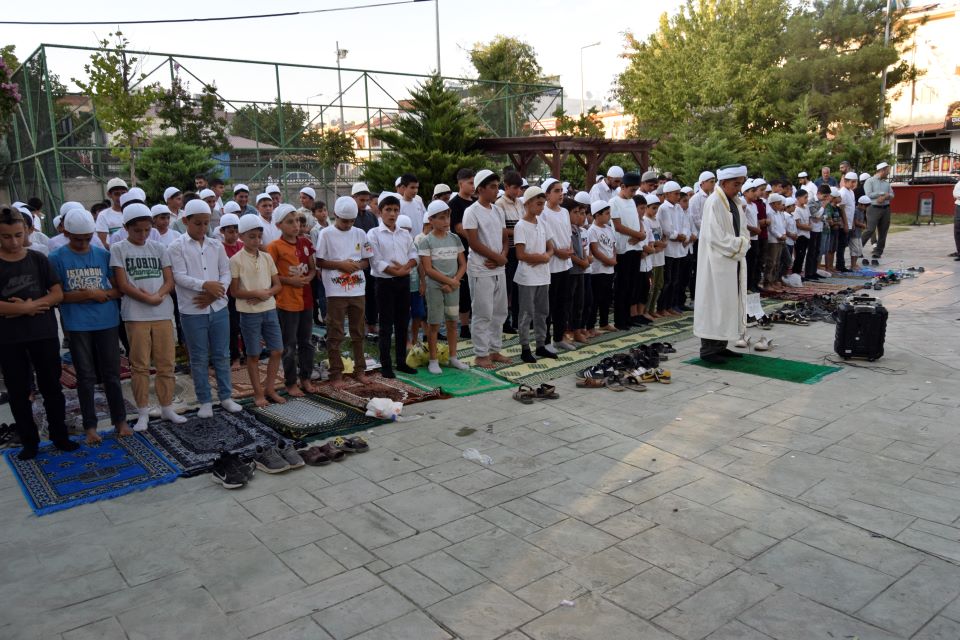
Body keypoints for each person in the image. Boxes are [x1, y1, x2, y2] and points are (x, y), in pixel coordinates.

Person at [0, 205, 77, 460]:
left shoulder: (38, 259)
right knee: (19, 390)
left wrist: (22, 307)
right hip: (10, 338)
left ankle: (59, 435)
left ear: (26, 232)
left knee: (51, 387)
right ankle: (29, 441)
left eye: (18, 235)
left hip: (43, 333)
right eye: (6, 236)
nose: (14, 241)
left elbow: (57, 293)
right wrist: (25, 308)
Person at [49, 209, 131, 444]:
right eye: (78, 239)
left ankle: (120, 421)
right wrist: (85, 294)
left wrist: (101, 294)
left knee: (112, 374)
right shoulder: (55, 258)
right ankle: (90, 427)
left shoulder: (102, 254)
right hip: (77, 324)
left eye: (87, 238)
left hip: (107, 321)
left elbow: (118, 289)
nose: (84, 244)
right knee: (85, 376)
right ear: (66, 233)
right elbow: (56, 296)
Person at [110, 203, 185, 430]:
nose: (143, 235)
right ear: (126, 228)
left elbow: (169, 281)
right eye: (137, 231)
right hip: (135, 315)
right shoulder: (119, 249)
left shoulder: (159, 248)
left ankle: (166, 407)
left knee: (166, 363)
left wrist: (157, 296)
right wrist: (147, 299)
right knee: (140, 365)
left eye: (146, 230)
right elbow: (122, 284)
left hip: (162, 312)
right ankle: (143, 411)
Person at [168, 199, 244, 418]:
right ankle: (205, 401)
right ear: (185, 221)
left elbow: (225, 272)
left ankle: (226, 397)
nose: (203, 228)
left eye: (206, 223)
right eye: (198, 224)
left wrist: (215, 293)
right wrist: (204, 286)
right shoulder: (176, 247)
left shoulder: (215, 245)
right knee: (199, 358)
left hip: (218, 307)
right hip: (192, 310)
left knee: (222, 354)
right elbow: (179, 276)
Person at [694, 165, 750, 363]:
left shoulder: (733, 201)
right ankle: (708, 350)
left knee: (727, 303)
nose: (739, 188)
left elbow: (742, 229)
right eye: (736, 184)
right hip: (716, 262)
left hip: (731, 260)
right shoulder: (713, 202)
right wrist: (739, 245)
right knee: (713, 304)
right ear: (724, 183)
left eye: (741, 184)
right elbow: (714, 236)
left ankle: (721, 345)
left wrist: (742, 242)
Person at [316, 196, 373, 387]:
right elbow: (320, 261)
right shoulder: (326, 234)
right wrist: (340, 264)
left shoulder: (360, 233)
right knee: (335, 332)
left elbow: (367, 260)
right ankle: (336, 373)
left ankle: (360, 370)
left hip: (357, 289)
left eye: (351, 221)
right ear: (335, 215)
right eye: (344, 221)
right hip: (335, 292)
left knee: (358, 331)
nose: (348, 224)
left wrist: (356, 266)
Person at [229, 215, 285, 408]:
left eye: (258, 236)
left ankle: (270, 388)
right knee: (253, 354)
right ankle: (258, 393)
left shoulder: (267, 257)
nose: (256, 240)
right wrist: (255, 293)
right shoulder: (235, 260)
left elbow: (277, 285)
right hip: (249, 312)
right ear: (241, 237)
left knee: (277, 350)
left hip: (269, 309)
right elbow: (234, 291)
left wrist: (265, 293)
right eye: (251, 236)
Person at [462, 169, 511, 369]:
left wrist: (503, 257)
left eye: (496, 186)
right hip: (481, 268)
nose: (495, 190)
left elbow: (504, 237)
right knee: (483, 313)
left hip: (498, 267)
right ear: (480, 189)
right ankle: (481, 354)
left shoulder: (498, 210)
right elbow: (473, 242)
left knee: (500, 312)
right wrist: (497, 258)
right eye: (491, 187)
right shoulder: (471, 211)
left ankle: (494, 350)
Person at [367, 192, 418, 378]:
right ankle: (386, 364)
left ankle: (401, 362)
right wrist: (397, 271)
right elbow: (376, 261)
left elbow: (414, 255)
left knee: (403, 322)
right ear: (380, 212)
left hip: (403, 282)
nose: (392, 214)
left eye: (396, 210)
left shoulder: (404, 234)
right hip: (385, 283)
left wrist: (406, 269)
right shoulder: (373, 234)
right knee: (386, 325)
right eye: (388, 210)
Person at [267, 204, 317, 395]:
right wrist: (290, 281)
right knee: (289, 345)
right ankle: (290, 383)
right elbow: (271, 275)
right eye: (290, 222)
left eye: (297, 220)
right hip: (286, 302)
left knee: (307, 342)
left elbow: (313, 268)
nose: (295, 225)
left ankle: (306, 377)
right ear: (279, 225)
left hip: (306, 300)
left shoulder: (305, 242)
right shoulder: (274, 247)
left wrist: (307, 279)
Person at [512, 186, 555, 363]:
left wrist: (545, 256)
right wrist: (541, 257)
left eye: (543, 204)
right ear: (527, 203)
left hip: (543, 275)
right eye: (538, 204)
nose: (541, 207)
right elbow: (520, 255)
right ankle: (524, 348)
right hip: (527, 276)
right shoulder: (520, 226)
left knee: (542, 312)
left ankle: (540, 345)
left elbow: (551, 248)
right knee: (526, 313)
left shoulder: (543, 223)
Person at [540, 178, 576, 353]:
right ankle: (546, 341)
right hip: (551, 265)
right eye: (556, 190)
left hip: (565, 264)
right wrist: (557, 251)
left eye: (562, 190)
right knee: (549, 305)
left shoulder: (564, 212)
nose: (561, 194)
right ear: (547, 194)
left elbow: (567, 235)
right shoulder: (543, 213)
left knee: (564, 302)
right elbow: (545, 238)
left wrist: (568, 250)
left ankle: (559, 337)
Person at [610, 172, 644, 329]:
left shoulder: (631, 201)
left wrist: (640, 236)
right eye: (632, 190)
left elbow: (638, 221)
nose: (634, 193)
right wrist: (637, 234)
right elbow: (618, 226)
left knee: (632, 284)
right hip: (623, 248)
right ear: (622, 187)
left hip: (635, 246)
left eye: (636, 190)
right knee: (622, 286)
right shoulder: (614, 202)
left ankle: (629, 317)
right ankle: (620, 320)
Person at [448, 168, 476, 338]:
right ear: (460, 183)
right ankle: (464, 325)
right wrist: (478, 242)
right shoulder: (454, 204)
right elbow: (459, 228)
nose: (473, 186)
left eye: (474, 183)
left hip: (479, 251)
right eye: (470, 183)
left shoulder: (476, 203)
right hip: (462, 251)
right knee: (464, 290)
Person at [496, 171, 524, 334]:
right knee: (506, 288)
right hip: (508, 251)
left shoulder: (520, 203)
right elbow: (500, 230)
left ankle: (517, 319)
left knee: (518, 286)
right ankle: (504, 321)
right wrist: (519, 231)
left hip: (520, 249)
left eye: (519, 188)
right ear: (506, 187)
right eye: (515, 188)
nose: (518, 191)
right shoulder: (499, 204)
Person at [657, 181, 687, 316]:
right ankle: (662, 307)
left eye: (679, 194)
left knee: (676, 280)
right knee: (667, 281)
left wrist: (684, 235)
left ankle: (671, 305)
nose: (678, 196)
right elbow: (666, 229)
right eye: (676, 194)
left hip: (679, 249)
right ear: (667, 194)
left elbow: (685, 224)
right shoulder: (663, 208)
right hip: (668, 249)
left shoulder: (679, 208)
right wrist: (677, 236)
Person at [588, 200, 617, 333]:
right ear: (597, 215)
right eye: (606, 213)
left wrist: (613, 259)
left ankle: (604, 322)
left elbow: (613, 246)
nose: (609, 216)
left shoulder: (608, 228)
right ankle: (590, 326)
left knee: (607, 297)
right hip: (598, 270)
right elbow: (595, 250)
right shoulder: (592, 230)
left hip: (609, 268)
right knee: (595, 299)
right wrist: (608, 260)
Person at [566, 196, 592, 344]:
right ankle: (568, 330)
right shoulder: (566, 228)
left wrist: (585, 260)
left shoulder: (577, 228)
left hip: (580, 270)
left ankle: (577, 330)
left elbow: (581, 247)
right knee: (568, 302)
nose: (578, 215)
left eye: (580, 212)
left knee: (579, 302)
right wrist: (582, 262)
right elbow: (570, 252)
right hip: (571, 270)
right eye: (575, 212)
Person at [862, 162, 894, 266]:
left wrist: (885, 197)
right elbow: (868, 194)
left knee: (883, 231)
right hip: (873, 208)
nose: (888, 173)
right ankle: (858, 249)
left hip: (885, 208)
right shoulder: (869, 181)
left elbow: (892, 194)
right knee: (870, 229)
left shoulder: (886, 183)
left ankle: (878, 251)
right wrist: (881, 194)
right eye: (887, 171)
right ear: (882, 170)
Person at [644, 194, 667, 317]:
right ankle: (646, 310)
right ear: (646, 207)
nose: (655, 211)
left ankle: (653, 309)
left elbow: (661, 234)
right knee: (651, 285)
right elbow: (650, 239)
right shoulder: (646, 221)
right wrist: (660, 245)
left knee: (659, 284)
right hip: (652, 258)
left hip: (660, 257)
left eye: (657, 208)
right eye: (653, 208)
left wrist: (662, 243)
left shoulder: (656, 220)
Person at [763, 193, 786, 291]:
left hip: (780, 240)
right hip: (773, 240)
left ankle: (773, 281)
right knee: (771, 262)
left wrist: (783, 234)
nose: (781, 205)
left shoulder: (779, 213)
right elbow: (772, 228)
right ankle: (767, 282)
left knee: (777, 262)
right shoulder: (770, 213)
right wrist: (779, 236)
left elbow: (782, 225)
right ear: (773, 204)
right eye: (779, 203)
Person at [96, 177, 128, 247]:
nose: (120, 197)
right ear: (109, 195)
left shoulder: (133, 213)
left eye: (123, 193)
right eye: (116, 194)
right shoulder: (103, 215)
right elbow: (103, 243)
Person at [837, 171, 859, 272]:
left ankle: (842, 265)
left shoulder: (851, 192)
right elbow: (842, 209)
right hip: (844, 224)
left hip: (850, 223)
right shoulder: (843, 192)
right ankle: (840, 266)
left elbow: (852, 209)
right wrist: (845, 224)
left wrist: (853, 223)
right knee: (841, 246)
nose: (854, 184)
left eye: (855, 182)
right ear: (845, 181)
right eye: (852, 182)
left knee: (845, 245)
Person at [791, 190, 812, 277]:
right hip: (800, 235)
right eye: (805, 197)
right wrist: (809, 227)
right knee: (799, 255)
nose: (807, 199)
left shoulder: (806, 207)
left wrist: (810, 226)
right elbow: (798, 224)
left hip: (807, 234)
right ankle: (796, 272)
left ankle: (799, 272)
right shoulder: (796, 209)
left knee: (803, 254)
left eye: (807, 197)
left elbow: (809, 219)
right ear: (798, 198)